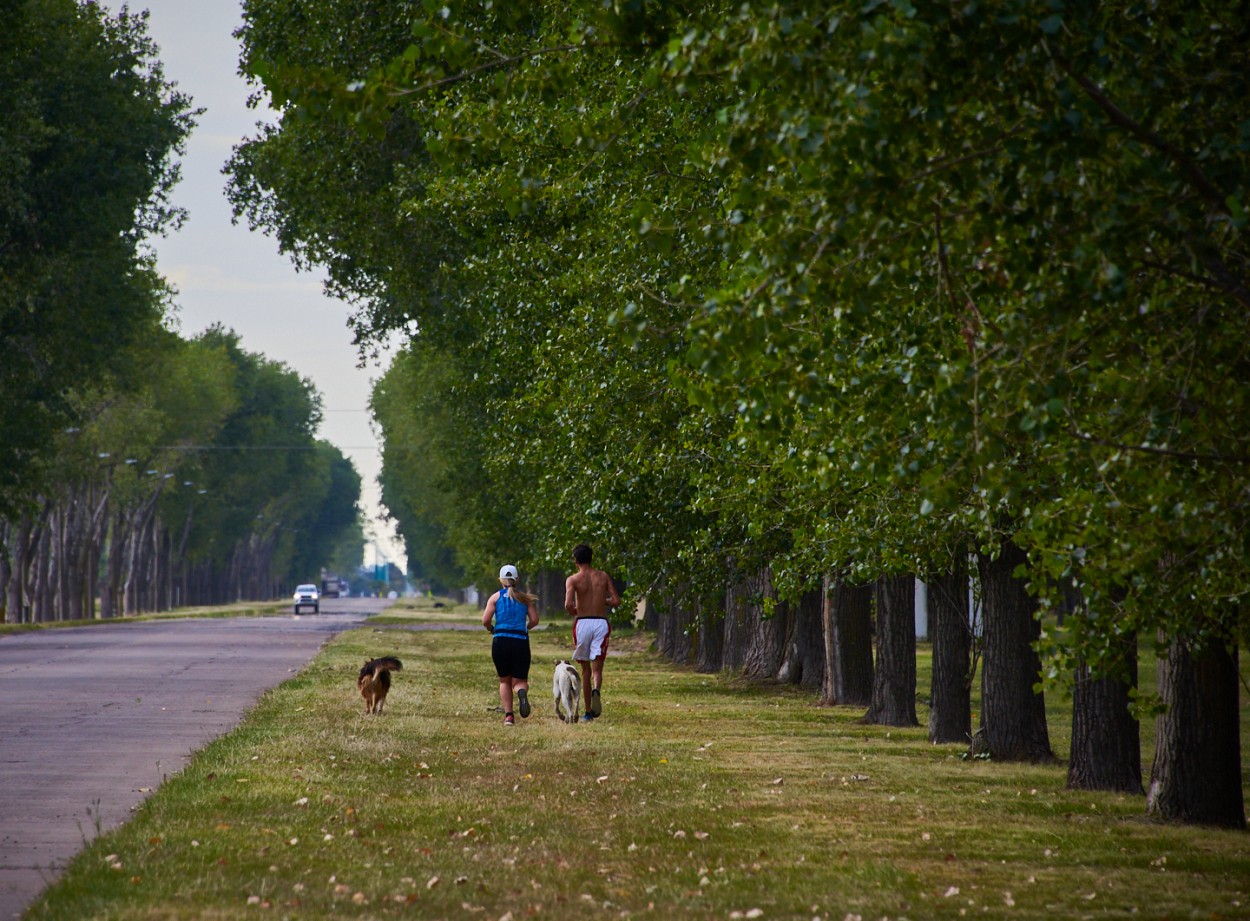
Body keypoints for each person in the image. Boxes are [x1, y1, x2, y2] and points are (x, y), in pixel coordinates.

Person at [564, 543, 621, 721]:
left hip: (583, 623)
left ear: (576, 561)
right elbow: (616, 600)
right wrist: (602, 602)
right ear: (591, 558)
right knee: (598, 667)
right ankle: (597, 690)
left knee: (585, 670)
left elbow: (567, 605)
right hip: (601, 623)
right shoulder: (603, 576)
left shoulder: (573, 579)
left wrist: (576, 610)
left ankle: (588, 712)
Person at [482, 564, 539, 727]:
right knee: (520, 680)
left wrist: (492, 629)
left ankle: (508, 716)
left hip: (501, 641)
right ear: (517, 580)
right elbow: (534, 620)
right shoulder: (525, 599)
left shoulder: (495, 597)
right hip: (520, 641)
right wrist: (524, 628)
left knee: (504, 680)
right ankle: (521, 691)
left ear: (501, 580)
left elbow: (485, 621)